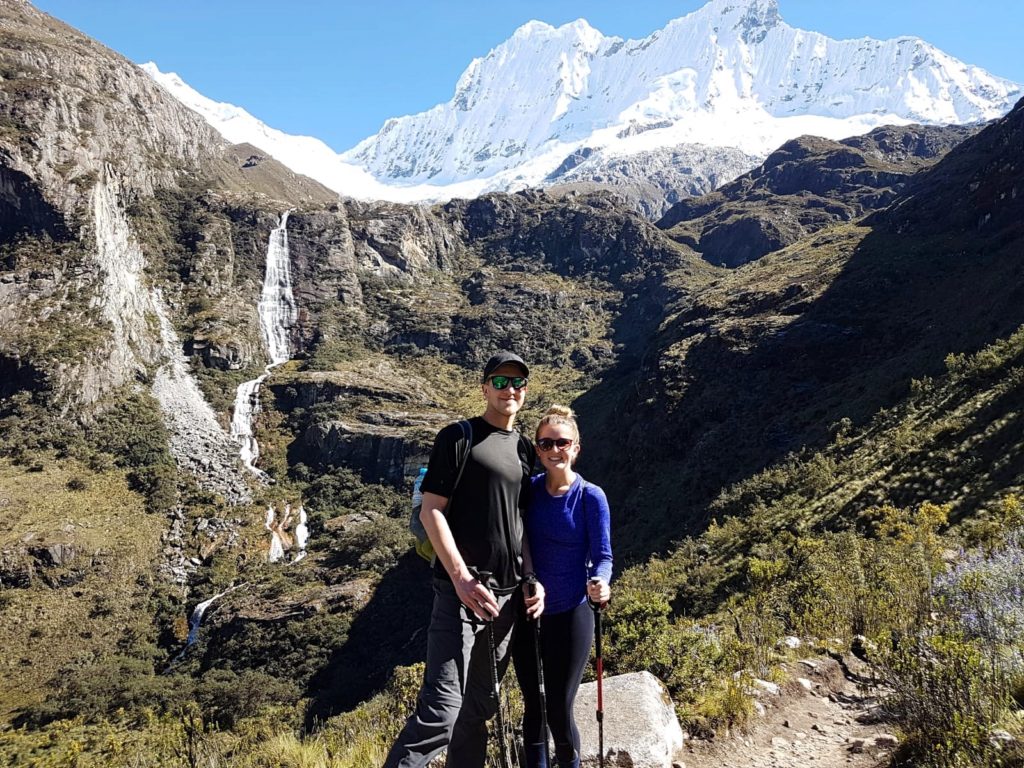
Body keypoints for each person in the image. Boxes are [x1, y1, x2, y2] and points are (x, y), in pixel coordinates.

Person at [383, 351, 543, 768]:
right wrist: (461, 580)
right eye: (501, 381)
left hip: (507, 599)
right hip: (462, 594)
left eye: (518, 382)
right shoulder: (459, 437)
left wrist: (531, 577)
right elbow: (431, 510)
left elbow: (521, 519)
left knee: (480, 708)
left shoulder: (525, 448)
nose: (510, 389)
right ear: (484, 387)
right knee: (443, 711)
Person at [513, 405, 612, 768]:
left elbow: (603, 555)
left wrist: (601, 582)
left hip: (572, 612)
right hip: (528, 610)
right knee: (533, 707)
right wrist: (530, 579)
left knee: (557, 706)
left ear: (576, 448)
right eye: (546, 443)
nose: (555, 449)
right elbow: (519, 540)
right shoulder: (530, 492)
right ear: (537, 450)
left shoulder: (590, 497)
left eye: (562, 442)